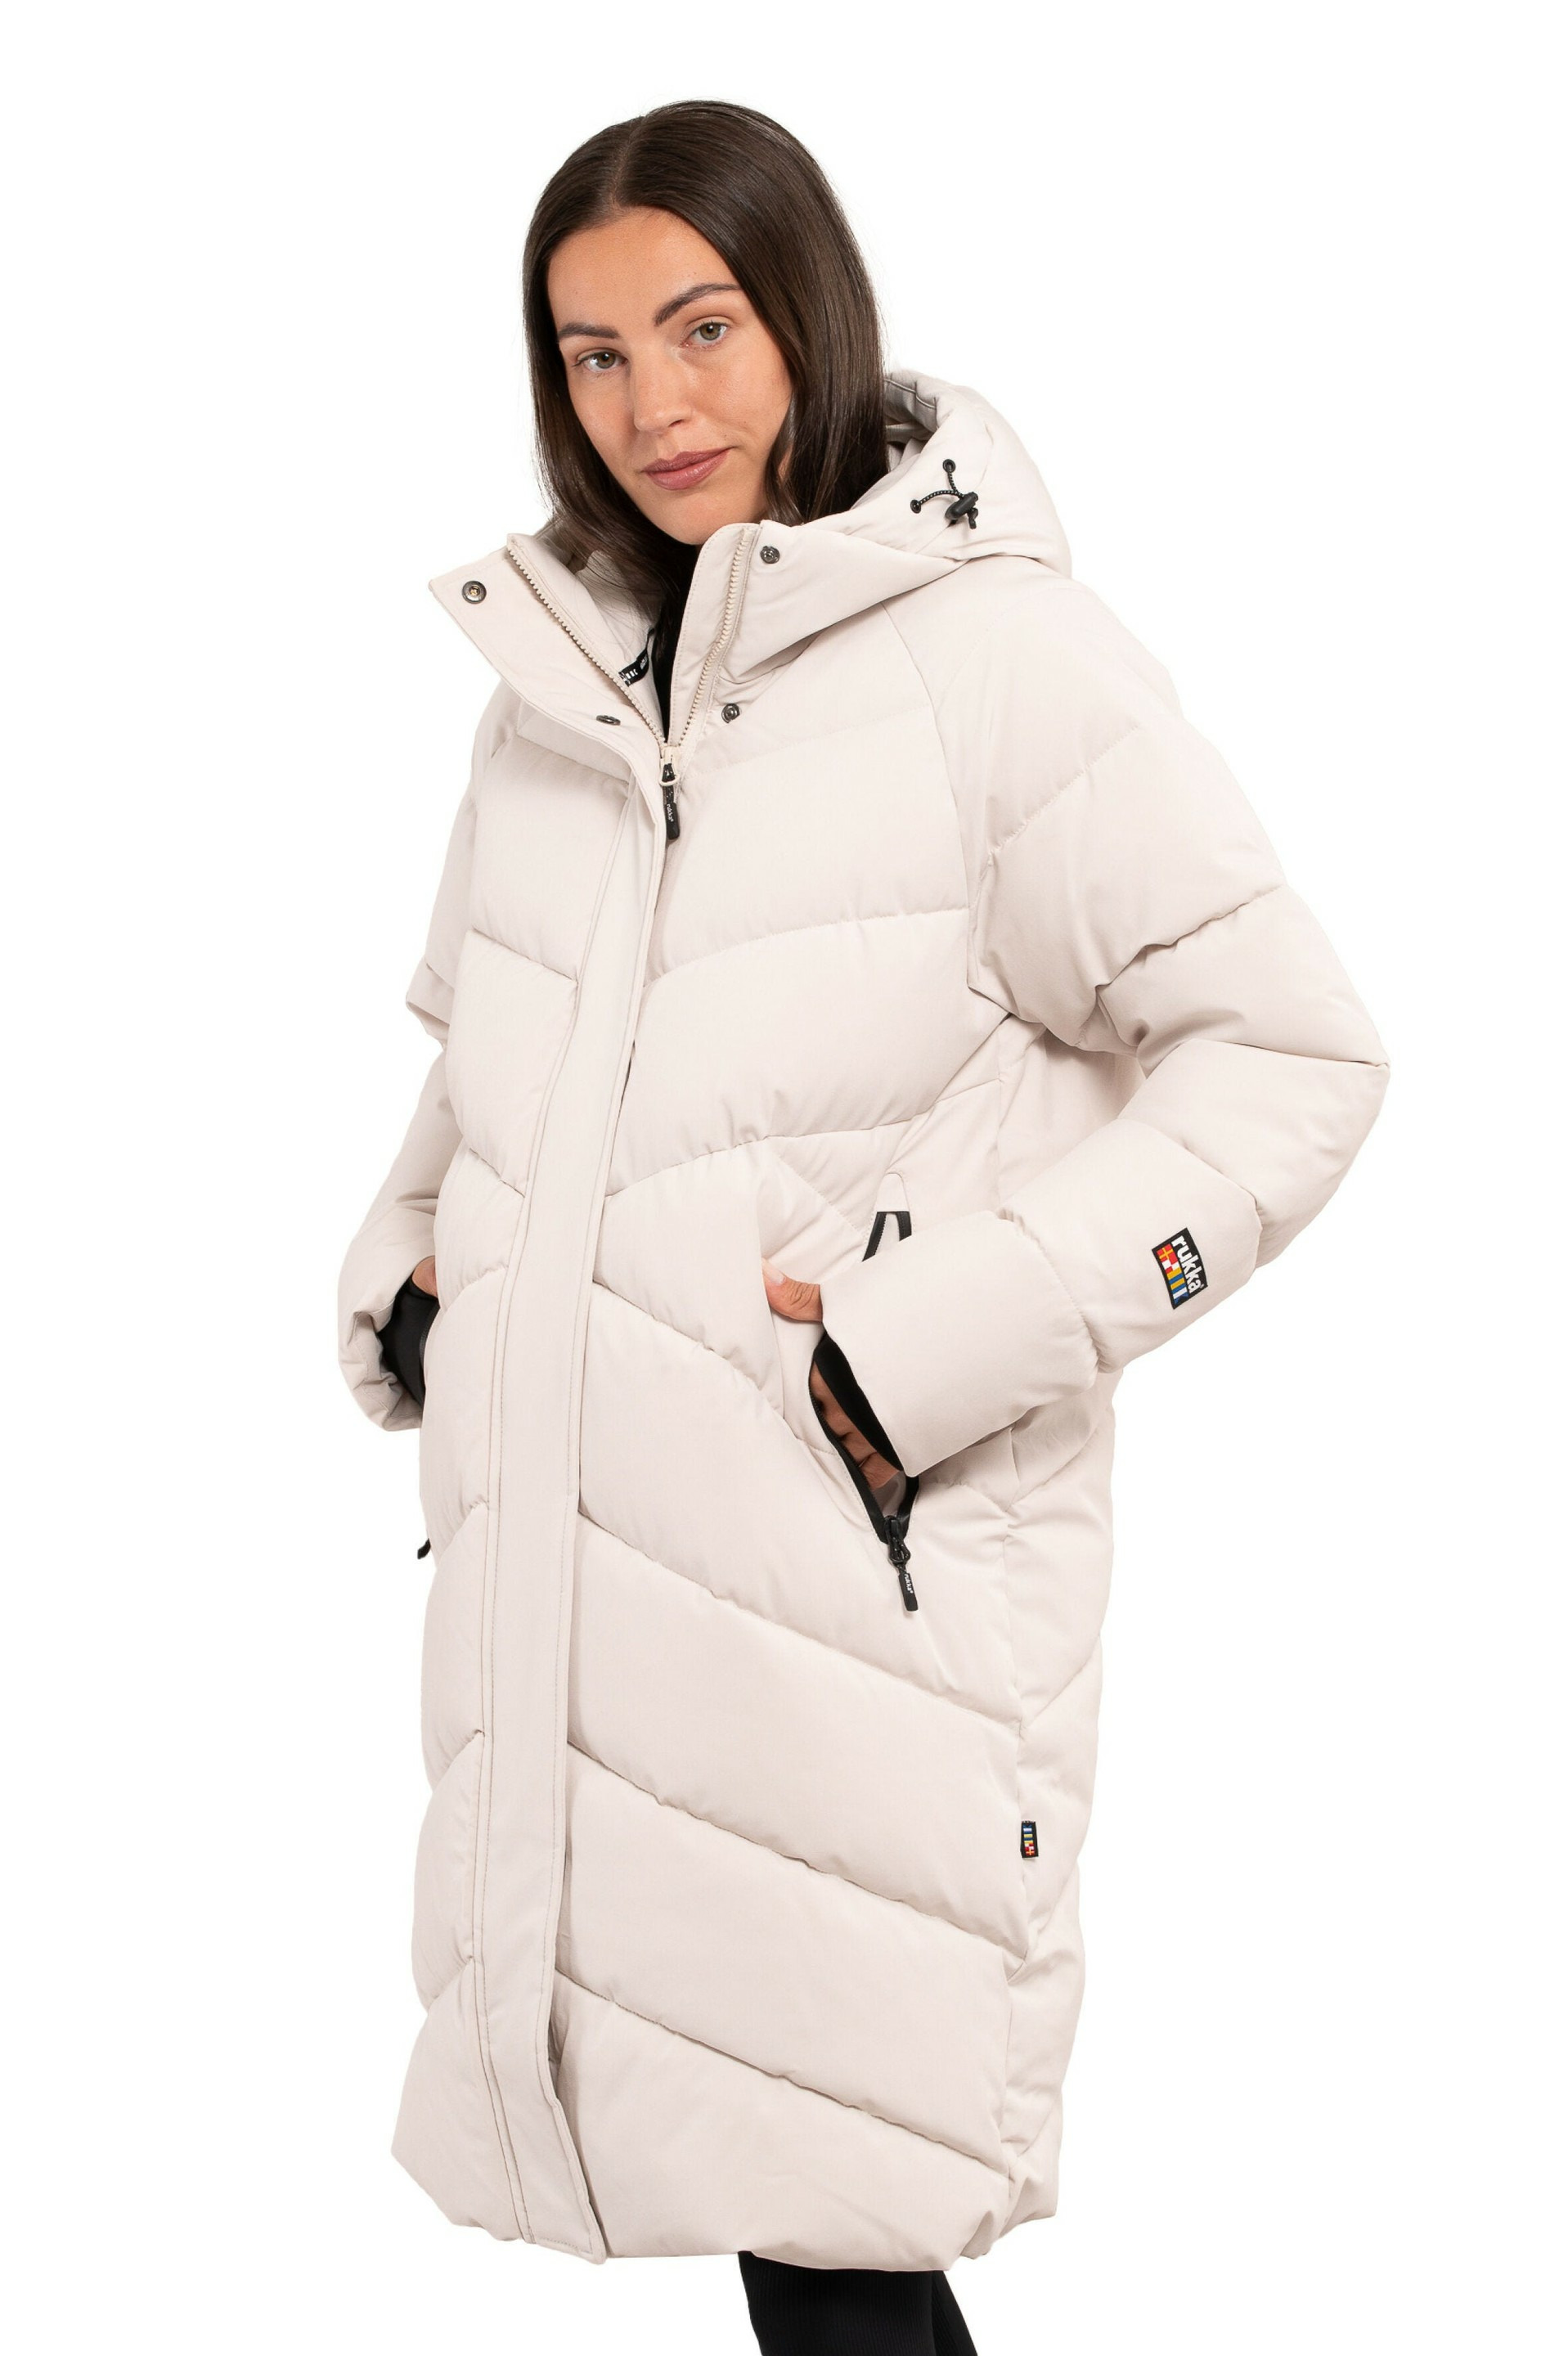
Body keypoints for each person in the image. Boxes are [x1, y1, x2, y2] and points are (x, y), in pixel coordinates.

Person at [338, 99, 1390, 2356]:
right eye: (594, 354)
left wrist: (932, 1341)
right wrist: (424, 1278)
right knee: (784, 2242)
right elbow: (491, 1057)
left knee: (841, 2236)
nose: (654, 403)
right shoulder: (556, 697)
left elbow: (1295, 1059)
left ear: (808, 312)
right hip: (584, 1603)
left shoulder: (1002, 669)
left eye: (702, 327)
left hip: (850, 1607)